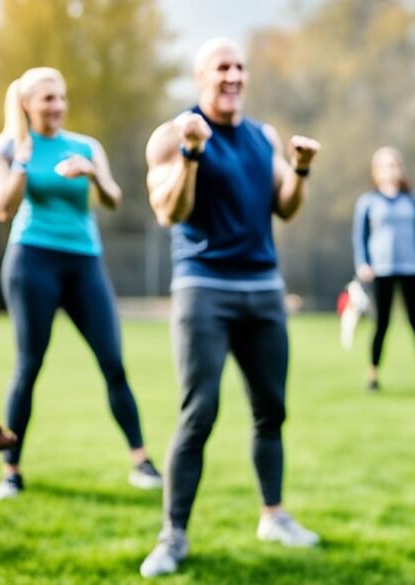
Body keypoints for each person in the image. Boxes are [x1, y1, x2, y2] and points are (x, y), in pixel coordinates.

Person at [139, 38, 321, 578]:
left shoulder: (261, 136)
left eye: (240, 66)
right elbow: (170, 210)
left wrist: (301, 168)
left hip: (263, 287)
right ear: (201, 76)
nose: (233, 75)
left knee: (272, 411)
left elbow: (284, 208)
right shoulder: (174, 134)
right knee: (200, 413)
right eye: (222, 67)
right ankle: (173, 536)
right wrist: (193, 154)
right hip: (204, 287)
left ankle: (274, 516)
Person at [0, 67, 162, 501]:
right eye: (47, 99)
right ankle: (11, 470)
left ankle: (141, 461)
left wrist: (94, 175)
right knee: (29, 366)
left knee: (113, 363)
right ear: (27, 104)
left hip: (85, 263)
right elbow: (2, 208)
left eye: (61, 97)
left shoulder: (86, 146)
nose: (57, 106)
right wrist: (22, 161)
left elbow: (114, 200)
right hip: (32, 263)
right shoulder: (5, 148)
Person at [352, 147, 415, 392]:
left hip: (410, 268)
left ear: (400, 170)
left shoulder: (413, 200)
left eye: (393, 166)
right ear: (375, 172)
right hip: (381, 270)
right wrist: (363, 263)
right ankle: (372, 376)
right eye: (383, 166)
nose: (389, 171)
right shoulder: (367, 202)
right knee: (381, 324)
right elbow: (360, 237)